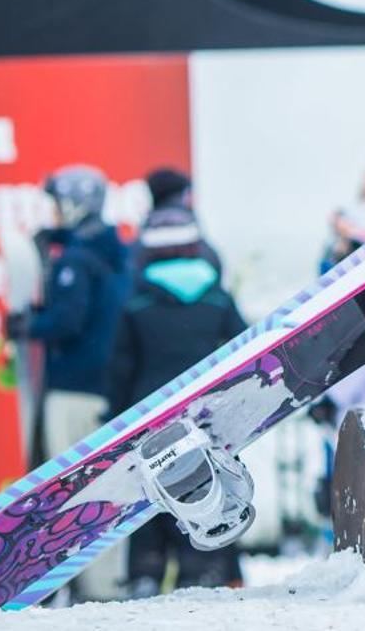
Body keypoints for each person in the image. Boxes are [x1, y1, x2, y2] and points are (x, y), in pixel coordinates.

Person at [105, 206, 248, 596]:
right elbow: (244, 352)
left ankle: (146, 571)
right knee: (205, 487)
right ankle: (208, 565)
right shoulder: (217, 298)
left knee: (149, 494)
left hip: (147, 413)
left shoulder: (136, 302)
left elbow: (120, 366)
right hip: (205, 416)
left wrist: (113, 416)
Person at [13, 164, 131, 600]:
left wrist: (26, 325)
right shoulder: (117, 252)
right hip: (107, 389)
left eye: (58, 205)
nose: (55, 214)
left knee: (65, 493)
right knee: (101, 491)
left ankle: (58, 582)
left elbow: (66, 321)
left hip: (71, 388)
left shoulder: (78, 261)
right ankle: (101, 582)